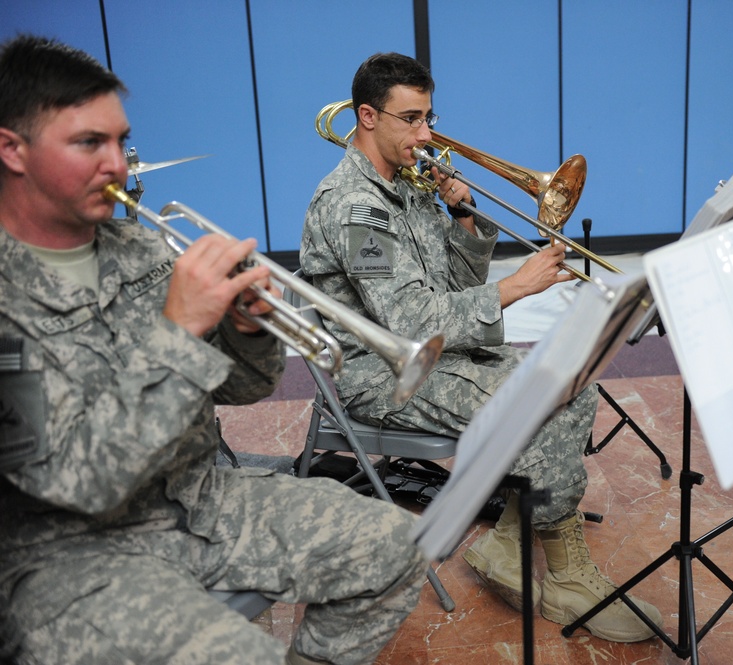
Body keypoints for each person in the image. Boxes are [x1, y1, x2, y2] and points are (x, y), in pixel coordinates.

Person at [0, 35, 427, 665]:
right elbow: (74, 484)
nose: (118, 164)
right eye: (89, 143)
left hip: (193, 501)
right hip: (69, 552)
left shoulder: (142, 251)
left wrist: (246, 331)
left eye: (121, 141)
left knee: (396, 545)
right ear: (13, 150)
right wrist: (178, 334)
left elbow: (241, 391)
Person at [299, 51, 662, 643]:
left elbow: (454, 294)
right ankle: (567, 578)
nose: (427, 135)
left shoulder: (407, 185)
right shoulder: (354, 206)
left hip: (433, 352)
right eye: (411, 120)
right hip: (380, 372)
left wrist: (463, 219)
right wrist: (516, 286)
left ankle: (510, 541)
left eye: (429, 117)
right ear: (366, 117)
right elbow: (413, 320)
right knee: (537, 403)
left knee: (571, 379)